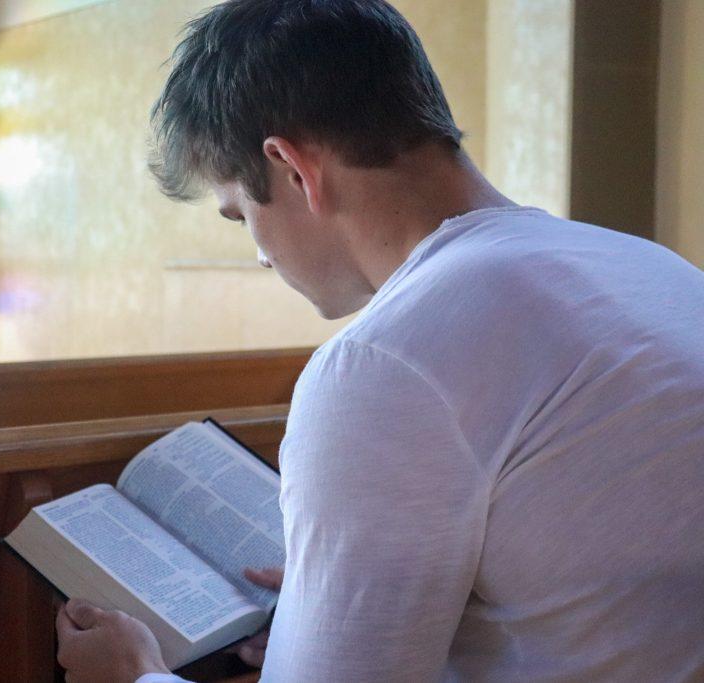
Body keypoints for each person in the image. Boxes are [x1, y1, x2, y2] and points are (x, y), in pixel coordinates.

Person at [55, 1, 704, 681]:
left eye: (239, 212)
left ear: (292, 169)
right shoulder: (654, 268)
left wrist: (136, 675)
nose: (259, 255)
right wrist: (335, 606)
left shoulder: (385, 362)